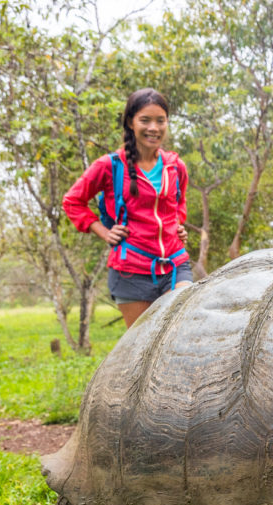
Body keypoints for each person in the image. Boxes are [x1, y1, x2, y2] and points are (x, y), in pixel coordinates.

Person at [63, 88, 191, 328]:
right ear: (131, 123)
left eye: (160, 121)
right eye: (145, 120)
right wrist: (103, 231)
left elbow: (178, 202)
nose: (154, 127)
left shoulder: (175, 166)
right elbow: (72, 201)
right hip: (131, 270)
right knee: (142, 348)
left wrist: (177, 225)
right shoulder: (109, 166)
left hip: (174, 265)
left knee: (180, 331)